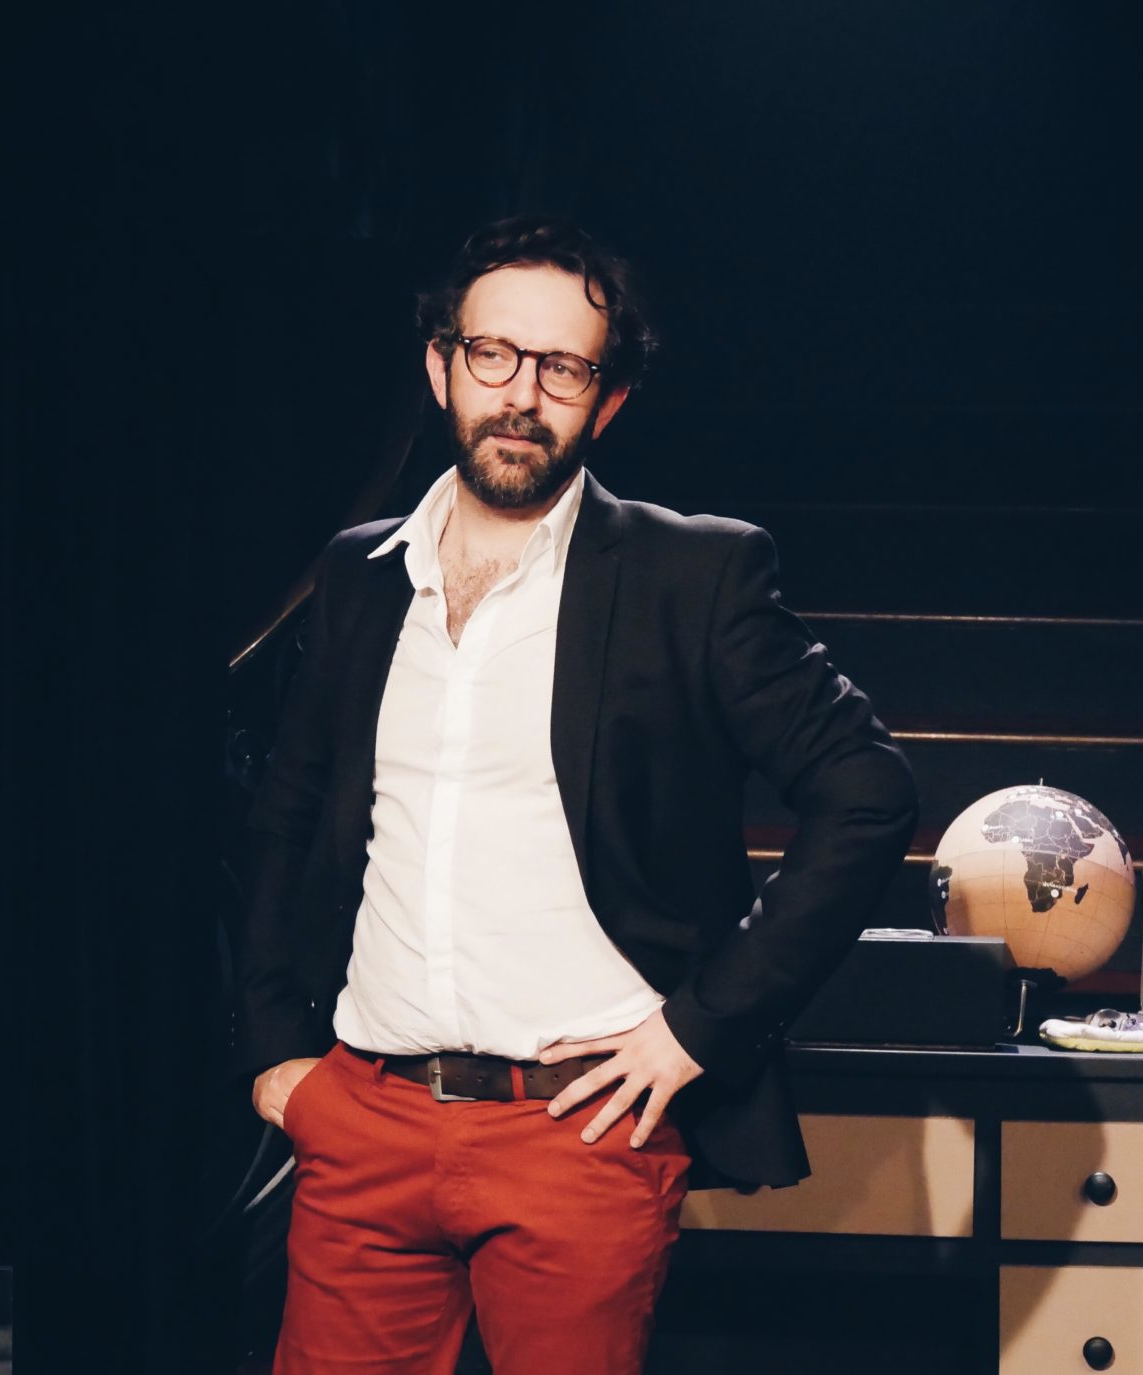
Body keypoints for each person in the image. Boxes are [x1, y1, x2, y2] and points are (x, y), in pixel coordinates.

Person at [234, 216, 918, 1375]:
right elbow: (287, 815)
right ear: (441, 366)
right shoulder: (359, 573)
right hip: (364, 1119)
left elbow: (868, 794)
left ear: (607, 402)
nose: (520, 393)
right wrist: (272, 1050)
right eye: (493, 354)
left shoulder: (691, 575)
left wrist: (697, 1027)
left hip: (577, 1132)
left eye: (561, 367)